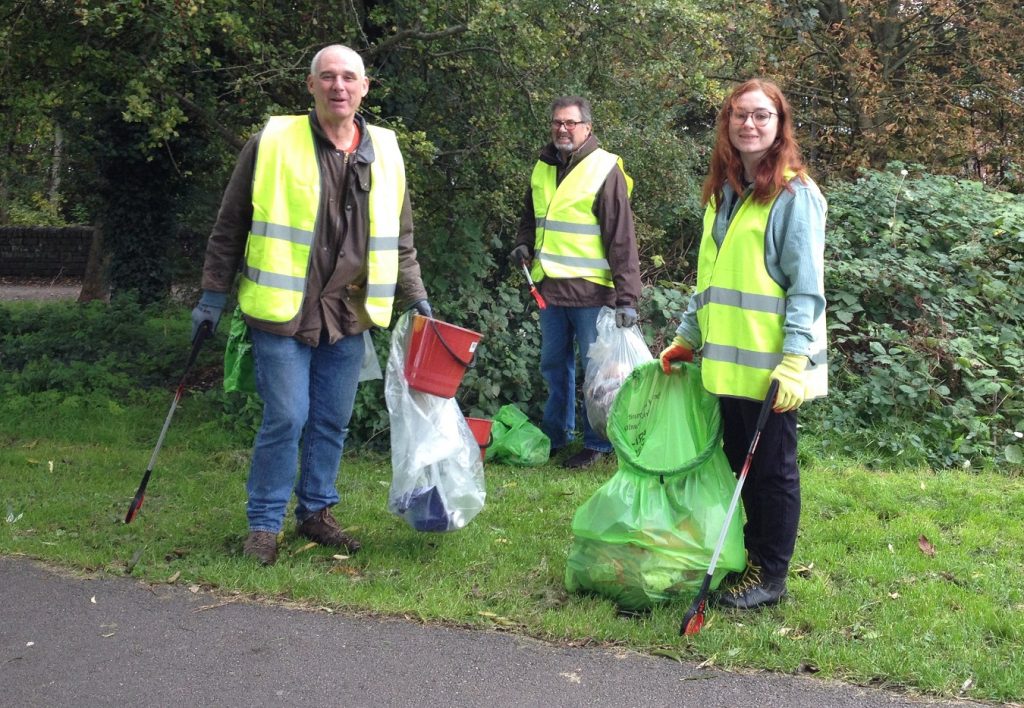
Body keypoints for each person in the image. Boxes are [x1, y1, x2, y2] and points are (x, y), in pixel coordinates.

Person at [191, 44, 431, 565]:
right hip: (283, 311)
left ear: (364, 88)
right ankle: (264, 523)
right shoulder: (272, 141)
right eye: (327, 77)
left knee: (331, 419)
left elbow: (401, 237)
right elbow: (230, 224)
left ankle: (317, 511)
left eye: (349, 77)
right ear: (311, 85)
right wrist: (212, 294)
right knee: (287, 416)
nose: (338, 86)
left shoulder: (386, 150)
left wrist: (417, 296)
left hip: (349, 312)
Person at [660, 78, 828, 609]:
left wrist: (795, 362)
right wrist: (689, 337)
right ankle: (751, 558)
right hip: (727, 366)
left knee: (772, 472)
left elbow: (807, 289)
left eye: (761, 116)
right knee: (739, 465)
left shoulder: (794, 197)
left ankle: (771, 578)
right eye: (739, 115)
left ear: (780, 126)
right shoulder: (724, 193)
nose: (749, 124)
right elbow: (708, 281)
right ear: (727, 124)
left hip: (773, 369)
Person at [510, 96, 642, 469]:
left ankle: (597, 444)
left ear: (587, 128)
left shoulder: (605, 169)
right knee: (554, 365)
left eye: (570, 123)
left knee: (598, 373)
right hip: (550, 287)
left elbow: (622, 238)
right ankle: (556, 436)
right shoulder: (544, 165)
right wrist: (523, 241)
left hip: (592, 292)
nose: (562, 129)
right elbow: (531, 213)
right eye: (557, 123)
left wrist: (627, 298)